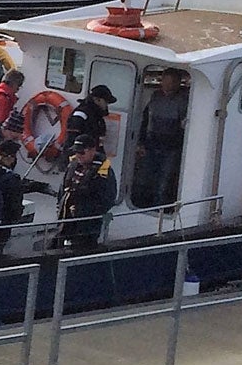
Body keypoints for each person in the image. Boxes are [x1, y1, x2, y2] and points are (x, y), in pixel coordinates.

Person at [130, 69, 190, 209]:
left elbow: (185, 126)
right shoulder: (155, 96)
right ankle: (140, 206)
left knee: (164, 182)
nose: (168, 85)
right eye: (166, 81)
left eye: (172, 82)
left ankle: (159, 211)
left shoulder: (185, 100)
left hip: (171, 147)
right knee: (144, 178)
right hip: (151, 144)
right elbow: (145, 120)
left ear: (178, 83)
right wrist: (140, 142)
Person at [58, 139, 118, 250]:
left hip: (88, 228)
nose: (78, 155)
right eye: (76, 152)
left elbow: (108, 199)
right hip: (65, 223)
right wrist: (60, 206)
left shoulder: (104, 172)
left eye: (81, 152)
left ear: (92, 150)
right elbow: (62, 190)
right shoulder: (73, 165)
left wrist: (84, 211)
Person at [66, 86, 116, 154]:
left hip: (90, 157)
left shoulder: (98, 118)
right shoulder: (81, 114)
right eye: (106, 102)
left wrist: (101, 156)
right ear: (97, 100)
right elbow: (71, 139)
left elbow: (99, 141)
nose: (106, 105)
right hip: (78, 157)